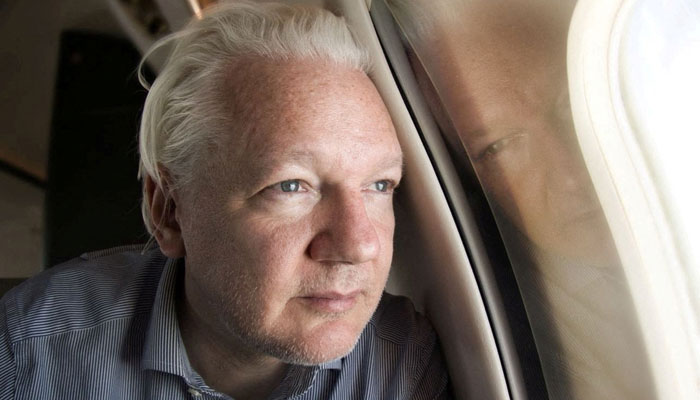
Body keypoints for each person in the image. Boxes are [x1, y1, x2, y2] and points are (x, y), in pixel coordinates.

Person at [0, 2, 450, 399]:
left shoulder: (407, 366)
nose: (359, 246)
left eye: (379, 185)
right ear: (170, 212)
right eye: (291, 186)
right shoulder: (25, 355)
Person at [386, 0, 654, 398]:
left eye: (571, 104)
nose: (569, 174)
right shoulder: (505, 331)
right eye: (498, 147)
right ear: (465, 174)